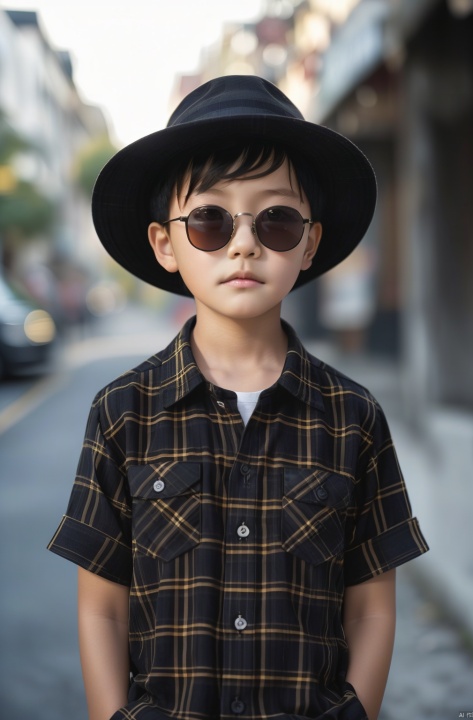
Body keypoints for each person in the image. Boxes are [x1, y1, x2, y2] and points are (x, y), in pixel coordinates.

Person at [48, 75, 428, 720]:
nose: (244, 242)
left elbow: (370, 603)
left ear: (308, 241)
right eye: (209, 219)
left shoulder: (354, 417)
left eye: (276, 219)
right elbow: (102, 608)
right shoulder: (122, 413)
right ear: (166, 244)